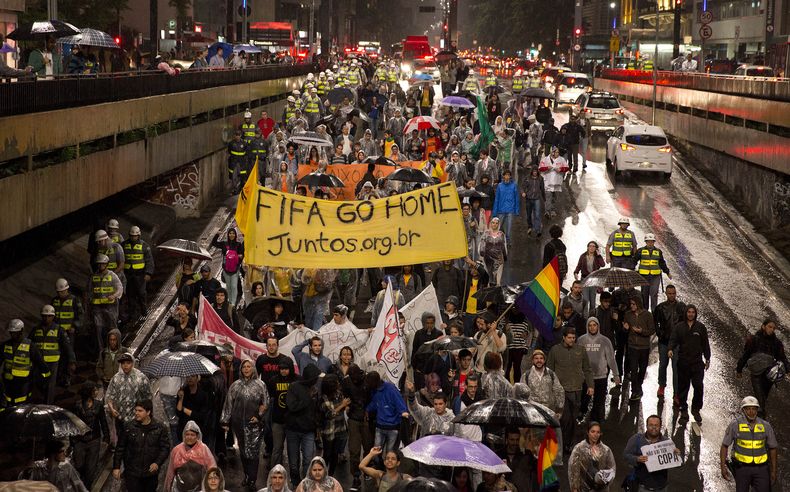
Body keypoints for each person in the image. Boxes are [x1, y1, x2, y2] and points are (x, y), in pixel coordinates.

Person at [221, 359, 269, 487]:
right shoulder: (235, 385)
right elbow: (228, 404)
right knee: (242, 451)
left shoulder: (260, 385)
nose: (246, 369)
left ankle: (252, 479)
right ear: (241, 369)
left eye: (249, 366)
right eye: (244, 367)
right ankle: (247, 475)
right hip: (238, 424)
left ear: (253, 368)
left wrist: (259, 417)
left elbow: (266, 403)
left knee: (253, 452)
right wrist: (225, 421)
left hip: (254, 425)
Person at [547, 327, 593, 454]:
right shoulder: (555, 350)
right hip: (561, 391)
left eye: (574, 338)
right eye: (569, 338)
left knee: (574, 419)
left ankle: (569, 444)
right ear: (564, 337)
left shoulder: (580, 350)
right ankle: (561, 444)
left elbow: (587, 369)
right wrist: (550, 388)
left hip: (577, 389)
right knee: (564, 418)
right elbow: (549, 371)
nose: (572, 340)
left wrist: (590, 385)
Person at [720, 396, 778, 491]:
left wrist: (773, 471)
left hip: (761, 469)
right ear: (743, 410)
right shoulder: (735, 425)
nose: (751, 412)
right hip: (742, 468)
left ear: (757, 410)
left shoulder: (766, 426)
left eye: (754, 409)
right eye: (748, 409)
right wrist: (723, 467)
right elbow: (724, 446)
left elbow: (773, 448)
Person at [112, 399, 171, 492]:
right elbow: (120, 448)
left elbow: (165, 448)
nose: (136, 413)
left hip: (150, 474)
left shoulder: (159, 428)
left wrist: (157, 463)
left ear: (148, 412)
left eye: (140, 411)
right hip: (132, 472)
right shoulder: (129, 427)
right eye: (135, 410)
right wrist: (116, 467)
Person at [736, 319, 789, 417]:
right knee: (760, 398)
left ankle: (754, 416)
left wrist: (788, 369)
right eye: (770, 327)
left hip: (769, 375)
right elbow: (745, 355)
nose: (772, 329)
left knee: (763, 397)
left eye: (773, 328)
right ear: (763, 326)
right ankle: (760, 417)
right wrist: (739, 369)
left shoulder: (777, 343)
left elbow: (782, 357)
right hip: (756, 374)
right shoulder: (754, 339)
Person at [668, 304, 710, 422]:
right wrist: (670, 349)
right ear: (686, 313)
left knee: (698, 386)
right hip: (683, 362)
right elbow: (673, 339)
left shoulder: (701, 327)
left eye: (693, 312)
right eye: (689, 312)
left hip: (697, 363)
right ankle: (683, 409)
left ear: (695, 313)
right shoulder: (679, 327)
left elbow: (705, 343)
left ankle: (696, 409)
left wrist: (707, 358)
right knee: (683, 387)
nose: (691, 314)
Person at [578, 318, 619, 423]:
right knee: (584, 398)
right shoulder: (581, 340)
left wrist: (616, 375)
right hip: (586, 376)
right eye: (590, 325)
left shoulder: (605, 341)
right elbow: (577, 358)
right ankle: (582, 412)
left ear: (598, 326)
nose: (592, 327)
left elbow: (611, 359)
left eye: (594, 325)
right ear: (587, 327)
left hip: (601, 376)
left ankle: (596, 419)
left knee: (599, 400)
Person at [285, 364, 321, 486]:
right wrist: (307, 398)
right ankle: (295, 482)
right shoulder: (293, 387)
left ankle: (305, 483)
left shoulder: (314, 390)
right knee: (293, 462)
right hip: (293, 430)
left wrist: (317, 427)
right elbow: (292, 406)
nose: (317, 379)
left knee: (307, 460)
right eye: (315, 377)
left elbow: (316, 411)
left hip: (309, 431)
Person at [624, 415, 679, 492]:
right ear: (646, 426)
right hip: (642, 487)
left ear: (660, 427)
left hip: (662, 487)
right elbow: (626, 456)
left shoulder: (667, 443)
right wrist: (637, 459)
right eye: (651, 425)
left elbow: (679, 464)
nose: (654, 427)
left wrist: (678, 456)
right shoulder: (636, 439)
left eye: (656, 425)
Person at [33, 304, 76, 403]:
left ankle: (49, 404)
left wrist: (72, 361)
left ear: (53, 317)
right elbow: (30, 344)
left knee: (50, 385)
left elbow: (67, 346)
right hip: (39, 363)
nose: (46, 318)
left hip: (53, 362)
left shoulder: (58, 330)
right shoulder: (36, 329)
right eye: (44, 316)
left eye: (49, 316)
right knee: (39, 382)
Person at [106, 353, 153, 436]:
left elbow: (148, 398)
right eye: (123, 363)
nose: (125, 366)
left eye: (128, 363)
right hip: (120, 418)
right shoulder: (116, 378)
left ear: (133, 363)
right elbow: (110, 395)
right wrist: (111, 409)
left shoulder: (141, 378)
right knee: (121, 441)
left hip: (136, 419)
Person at [653, 285, 685, 400]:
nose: (672, 295)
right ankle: (661, 386)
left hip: (676, 344)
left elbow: (685, 324)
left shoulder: (681, 307)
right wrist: (660, 334)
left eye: (673, 293)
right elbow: (655, 322)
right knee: (663, 365)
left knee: (676, 369)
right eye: (669, 293)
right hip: (664, 342)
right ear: (666, 294)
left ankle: (676, 393)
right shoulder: (661, 308)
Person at [165, 421, 217, 492]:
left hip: (199, 489)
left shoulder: (203, 449)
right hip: (179, 489)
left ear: (197, 436)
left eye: (192, 435)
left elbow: (212, 469)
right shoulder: (176, 450)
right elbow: (170, 472)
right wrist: (167, 488)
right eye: (187, 434)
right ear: (184, 435)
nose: (189, 437)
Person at [365, 370, 409, 453]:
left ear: (375, 383)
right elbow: (374, 403)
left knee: (390, 454)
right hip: (379, 426)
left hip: (393, 427)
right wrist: (367, 410)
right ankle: (378, 465)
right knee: (375, 453)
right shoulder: (375, 391)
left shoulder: (391, 389)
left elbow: (399, 402)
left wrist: (403, 412)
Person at [88, 253, 124, 354]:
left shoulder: (112, 276)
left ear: (107, 264)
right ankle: (101, 351)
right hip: (97, 307)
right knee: (98, 328)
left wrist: (114, 295)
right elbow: (89, 291)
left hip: (110, 306)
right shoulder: (93, 277)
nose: (100, 266)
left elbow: (119, 287)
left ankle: (116, 348)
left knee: (112, 327)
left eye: (103, 264)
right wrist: (89, 303)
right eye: (99, 264)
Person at [568, 422, 616, 492]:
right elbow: (574, 469)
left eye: (598, 432)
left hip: (601, 489)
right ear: (588, 432)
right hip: (583, 489)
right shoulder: (579, 448)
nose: (595, 435)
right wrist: (575, 488)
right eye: (593, 431)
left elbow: (611, 469)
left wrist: (605, 479)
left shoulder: (606, 450)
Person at [623, 297, 654, 401]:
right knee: (633, 369)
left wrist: (642, 331)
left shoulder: (647, 315)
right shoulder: (628, 315)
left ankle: (638, 386)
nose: (631, 306)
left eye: (633, 304)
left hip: (644, 347)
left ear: (638, 304)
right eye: (631, 304)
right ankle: (635, 391)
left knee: (642, 369)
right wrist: (625, 328)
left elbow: (652, 330)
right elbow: (624, 330)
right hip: (632, 347)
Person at [319, 373, 350, 476]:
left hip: (340, 428)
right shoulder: (323, 398)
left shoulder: (338, 393)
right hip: (329, 430)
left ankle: (331, 475)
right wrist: (342, 405)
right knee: (327, 454)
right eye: (336, 382)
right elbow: (329, 414)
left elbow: (343, 407)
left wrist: (345, 407)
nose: (338, 383)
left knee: (335, 454)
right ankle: (322, 474)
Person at [122, 225, 155, 321]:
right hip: (128, 275)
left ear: (139, 236)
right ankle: (133, 314)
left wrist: (148, 273)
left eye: (135, 236)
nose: (133, 238)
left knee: (141, 293)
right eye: (131, 236)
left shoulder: (144, 246)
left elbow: (149, 261)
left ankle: (144, 310)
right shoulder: (123, 245)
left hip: (140, 275)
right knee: (130, 294)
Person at [635, 233, 671, 311]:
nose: (650, 243)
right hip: (644, 276)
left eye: (652, 241)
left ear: (654, 242)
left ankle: (654, 313)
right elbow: (634, 261)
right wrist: (632, 270)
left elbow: (662, 263)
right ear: (646, 242)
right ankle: (645, 312)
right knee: (644, 295)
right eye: (648, 241)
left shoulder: (658, 252)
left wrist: (667, 272)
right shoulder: (640, 251)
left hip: (655, 276)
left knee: (654, 294)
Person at [51, 278, 84, 359]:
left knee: (69, 351)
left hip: (69, 331)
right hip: (57, 331)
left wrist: (74, 326)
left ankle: (70, 369)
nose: (61, 294)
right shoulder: (54, 301)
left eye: (62, 291)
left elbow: (81, 315)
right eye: (59, 292)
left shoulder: (74, 300)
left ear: (67, 289)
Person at [212, 228, 245, 307]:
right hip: (226, 270)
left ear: (235, 235)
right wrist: (217, 234)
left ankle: (235, 303)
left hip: (235, 270)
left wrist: (238, 258)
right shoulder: (224, 244)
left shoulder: (238, 245)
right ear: (228, 234)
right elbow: (214, 243)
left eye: (233, 233)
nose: (232, 235)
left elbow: (242, 255)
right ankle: (231, 303)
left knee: (236, 287)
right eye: (230, 233)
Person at [574, 241, 606, 309]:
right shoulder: (583, 256)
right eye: (590, 246)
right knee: (585, 299)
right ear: (588, 247)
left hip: (593, 280)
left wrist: (599, 255)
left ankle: (592, 317)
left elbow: (603, 265)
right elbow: (579, 266)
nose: (591, 248)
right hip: (585, 279)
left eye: (593, 246)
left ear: (596, 248)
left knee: (592, 301)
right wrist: (576, 272)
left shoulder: (597, 257)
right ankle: (585, 317)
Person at [491, 169, 520, 243]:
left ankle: (507, 240)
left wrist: (517, 210)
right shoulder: (500, 186)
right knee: (499, 226)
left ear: (510, 176)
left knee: (509, 227)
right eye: (506, 175)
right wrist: (494, 212)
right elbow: (497, 199)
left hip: (510, 210)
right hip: (501, 210)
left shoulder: (514, 185)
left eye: (508, 175)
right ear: (503, 176)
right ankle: (498, 239)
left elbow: (517, 198)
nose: (507, 176)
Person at [539, 146, 567, 217]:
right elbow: (540, 169)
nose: (558, 153)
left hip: (557, 183)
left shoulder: (562, 159)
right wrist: (546, 168)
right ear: (552, 152)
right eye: (556, 152)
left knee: (555, 198)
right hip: (547, 183)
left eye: (558, 152)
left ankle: (553, 210)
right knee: (548, 197)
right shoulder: (545, 159)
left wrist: (561, 169)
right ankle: (547, 211)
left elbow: (566, 168)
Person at [480, 217, 507, 285]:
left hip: (499, 260)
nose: (494, 224)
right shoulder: (486, 234)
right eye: (493, 223)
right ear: (490, 223)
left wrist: (505, 256)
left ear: (498, 224)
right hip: (488, 259)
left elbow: (504, 246)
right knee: (489, 279)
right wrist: (481, 255)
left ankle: (497, 292)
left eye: (496, 223)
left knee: (498, 281)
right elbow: (482, 246)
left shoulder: (501, 234)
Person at [521, 166, 545, 237]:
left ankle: (537, 229)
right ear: (531, 171)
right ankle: (530, 227)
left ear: (537, 171)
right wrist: (523, 192)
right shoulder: (527, 178)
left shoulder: (540, 179)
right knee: (528, 215)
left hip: (537, 199)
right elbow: (522, 187)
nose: (535, 172)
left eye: (536, 171)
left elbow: (542, 189)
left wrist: (544, 198)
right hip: (528, 199)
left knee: (537, 214)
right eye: (533, 171)